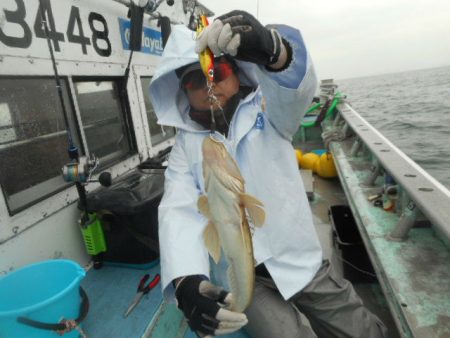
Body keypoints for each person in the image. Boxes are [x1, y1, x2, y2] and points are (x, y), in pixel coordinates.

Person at [149, 10, 387, 338]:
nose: (209, 85)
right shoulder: (184, 145)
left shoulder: (267, 105)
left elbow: (295, 92)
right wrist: (186, 281)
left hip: (299, 261)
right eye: (194, 80)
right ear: (182, 90)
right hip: (244, 275)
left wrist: (275, 51)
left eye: (217, 71)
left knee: (359, 331)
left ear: (236, 72)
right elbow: (179, 208)